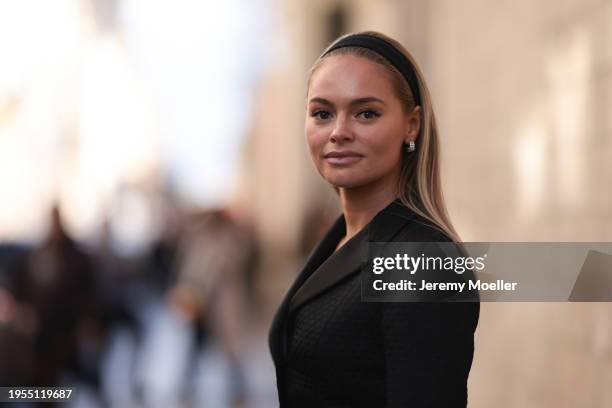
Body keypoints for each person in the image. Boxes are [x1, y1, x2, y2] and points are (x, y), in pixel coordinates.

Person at [268, 31, 480, 407]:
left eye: (366, 113)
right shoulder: (340, 237)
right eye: (322, 113)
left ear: (411, 125)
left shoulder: (422, 260)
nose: (338, 133)